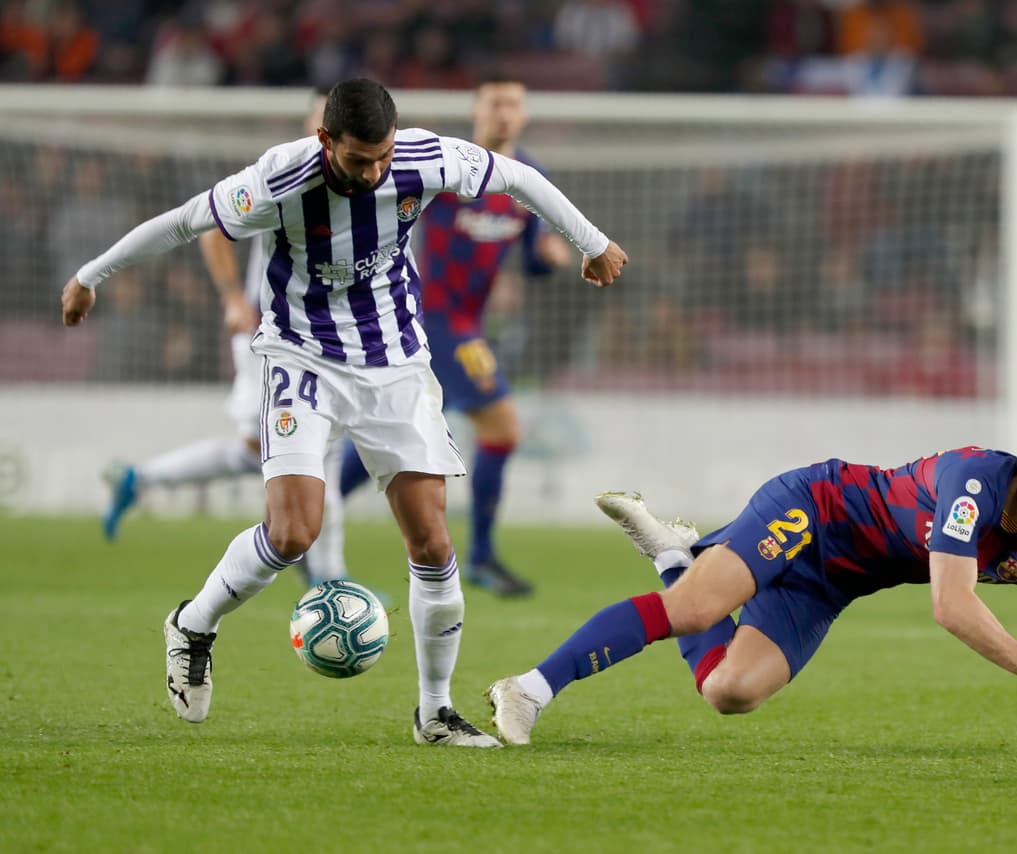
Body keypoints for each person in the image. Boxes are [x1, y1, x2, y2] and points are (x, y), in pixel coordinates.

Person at [61, 77, 627, 747]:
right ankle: (193, 624)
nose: (375, 171)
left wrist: (591, 241)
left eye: (383, 156)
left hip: (394, 362)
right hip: (302, 359)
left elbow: (518, 180)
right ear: (326, 140)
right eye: (360, 160)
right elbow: (185, 222)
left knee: (431, 541)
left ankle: (435, 712)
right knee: (293, 533)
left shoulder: (423, 158)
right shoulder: (278, 180)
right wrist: (89, 275)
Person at [487, 410, 1017, 755]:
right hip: (814, 510)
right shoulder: (973, 485)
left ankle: (675, 555)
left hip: (831, 585)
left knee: (730, 694)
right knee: (696, 609)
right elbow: (952, 606)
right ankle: (527, 689)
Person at [100, 89, 350, 588]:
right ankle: (328, 578)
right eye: (320, 118)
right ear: (312, 125)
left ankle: (140, 479)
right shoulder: (281, 175)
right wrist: (233, 298)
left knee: (278, 450)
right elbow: (215, 229)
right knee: (301, 449)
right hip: (271, 332)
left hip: (325, 338)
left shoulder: (362, 184)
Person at [338, 72, 572, 598]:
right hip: (430, 316)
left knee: (394, 434)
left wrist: (548, 258)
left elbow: (532, 257)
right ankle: (483, 557)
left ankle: (319, 505)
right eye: (495, 103)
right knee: (501, 426)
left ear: (525, 113)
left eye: (514, 103)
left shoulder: (528, 175)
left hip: (468, 321)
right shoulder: (447, 167)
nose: (504, 113)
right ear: (476, 110)